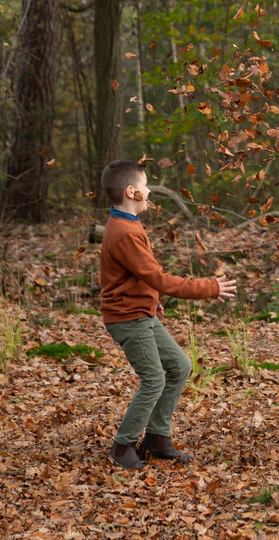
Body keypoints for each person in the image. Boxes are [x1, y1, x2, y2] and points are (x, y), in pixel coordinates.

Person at [99, 159, 237, 470]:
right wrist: (209, 287)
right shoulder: (124, 232)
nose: (149, 191)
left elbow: (138, 276)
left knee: (180, 366)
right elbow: (159, 277)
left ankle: (157, 440)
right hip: (127, 319)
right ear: (132, 192)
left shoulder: (128, 224)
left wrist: (151, 300)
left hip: (140, 312)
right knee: (152, 380)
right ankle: (123, 447)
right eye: (145, 186)